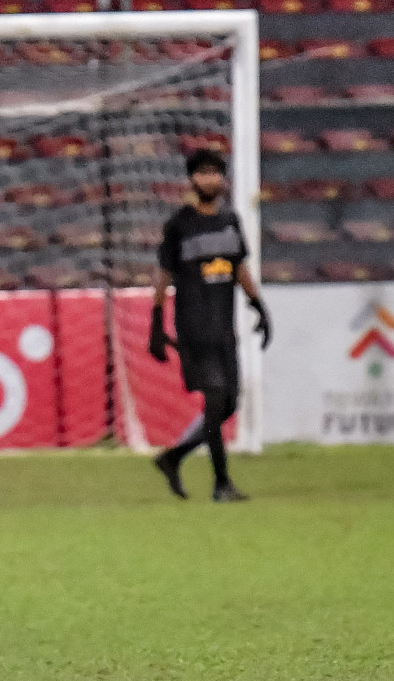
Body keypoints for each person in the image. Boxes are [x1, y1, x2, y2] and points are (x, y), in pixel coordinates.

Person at [149, 149, 271, 503]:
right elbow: (164, 275)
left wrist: (258, 305)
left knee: (229, 404)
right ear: (192, 179)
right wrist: (156, 323)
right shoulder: (178, 226)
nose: (210, 179)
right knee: (216, 399)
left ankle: (173, 458)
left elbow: (238, 269)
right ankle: (221, 484)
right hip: (193, 328)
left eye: (215, 173)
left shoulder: (230, 222)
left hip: (223, 327)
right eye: (202, 173)